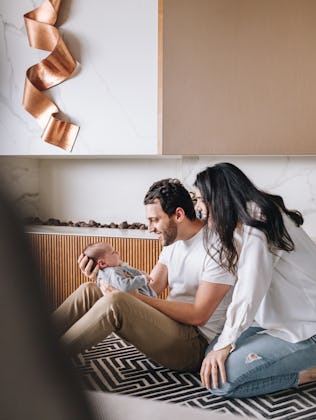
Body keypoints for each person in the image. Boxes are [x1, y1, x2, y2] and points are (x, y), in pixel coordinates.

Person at [52, 178, 235, 372]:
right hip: (169, 327)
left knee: (116, 303)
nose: (150, 228)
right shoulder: (174, 242)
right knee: (90, 290)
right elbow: (152, 287)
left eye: (155, 220)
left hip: (194, 344)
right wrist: (104, 277)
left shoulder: (217, 248)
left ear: (178, 214)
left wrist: (132, 298)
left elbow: (199, 315)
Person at [194, 162, 316, 398]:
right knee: (212, 355)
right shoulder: (245, 221)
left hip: (309, 328)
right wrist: (224, 344)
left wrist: (227, 343)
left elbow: (250, 288)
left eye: (200, 199)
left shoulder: (259, 219)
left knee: (220, 380)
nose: (197, 207)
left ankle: (308, 373)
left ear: (218, 197)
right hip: (276, 322)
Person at [83, 241, 157, 297]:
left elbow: (128, 271)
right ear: (102, 263)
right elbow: (124, 286)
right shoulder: (112, 272)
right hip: (142, 302)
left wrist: (140, 273)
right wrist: (143, 279)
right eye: (113, 252)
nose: (118, 253)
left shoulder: (108, 272)